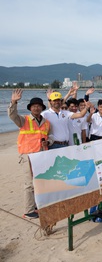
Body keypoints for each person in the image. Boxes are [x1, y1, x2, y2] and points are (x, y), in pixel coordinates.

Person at [9, 89, 50, 219]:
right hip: (27, 155)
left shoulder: (46, 122)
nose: (36, 108)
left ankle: (37, 206)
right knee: (29, 184)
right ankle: (28, 210)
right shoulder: (24, 120)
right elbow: (13, 116)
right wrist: (14, 102)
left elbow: (48, 136)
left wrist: (48, 141)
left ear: (42, 108)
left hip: (40, 155)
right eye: (34, 106)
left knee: (38, 182)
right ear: (30, 108)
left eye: (38, 106)